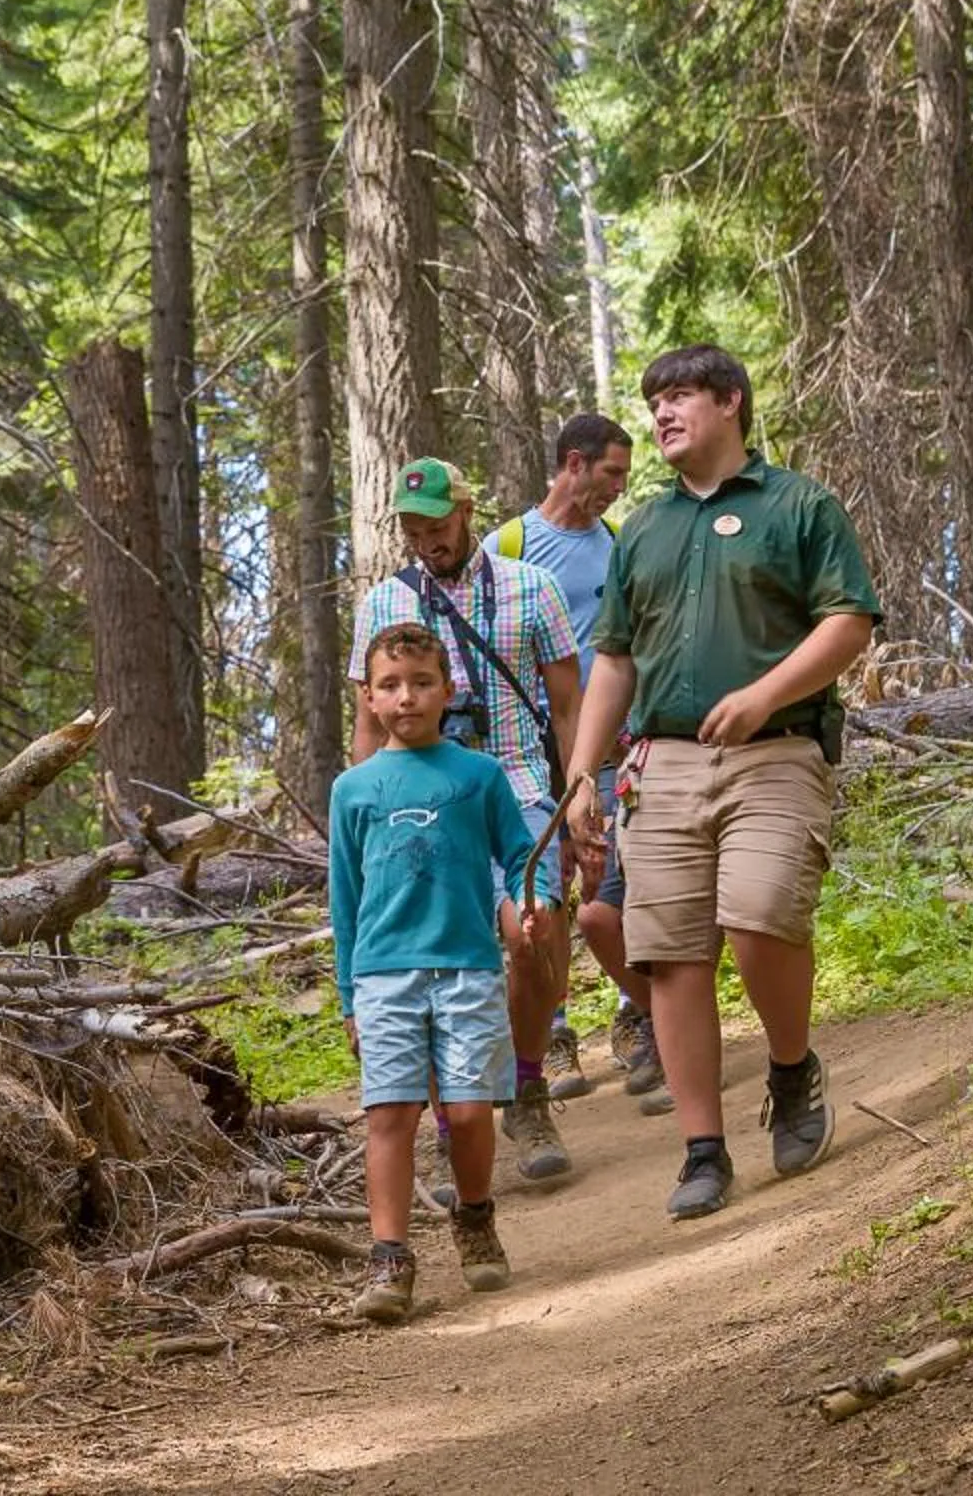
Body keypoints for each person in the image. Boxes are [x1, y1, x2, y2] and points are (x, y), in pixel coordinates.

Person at [560, 346, 880, 1220]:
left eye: (681, 397)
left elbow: (849, 621)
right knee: (668, 952)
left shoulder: (798, 506)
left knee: (759, 912)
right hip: (661, 766)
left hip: (778, 749)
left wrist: (763, 695)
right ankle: (703, 1148)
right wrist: (582, 772)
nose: (663, 414)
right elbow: (615, 659)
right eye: (654, 402)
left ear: (731, 402)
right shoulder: (647, 532)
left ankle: (789, 1066)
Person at [351, 458, 585, 1182]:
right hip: (423, 808)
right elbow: (366, 723)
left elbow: (569, 705)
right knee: (426, 962)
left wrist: (579, 793)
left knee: (532, 931)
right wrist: (363, 814)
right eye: (413, 529)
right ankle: (459, 1125)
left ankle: (525, 1085)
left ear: (466, 509)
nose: (428, 541)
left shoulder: (530, 588)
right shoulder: (384, 605)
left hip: (517, 791)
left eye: (438, 524)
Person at [329, 622, 547, 1322]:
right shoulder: (354, 790)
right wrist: (348, 998)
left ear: (449, 691)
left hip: (468, 969)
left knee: (469, 1111)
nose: (407, 697)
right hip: (384, 975)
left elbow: (517, 854)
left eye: (422, 683)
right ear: (368, 697)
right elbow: (345, 897)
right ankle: (390, 1258)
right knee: (390, 1114)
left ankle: (475, 1214)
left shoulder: (478, 777)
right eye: (390, 685)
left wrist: (528, 902)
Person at [493, 413, 666, 1110]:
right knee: (546, 894)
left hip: (611, 749)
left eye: (624, 476)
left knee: (614, 886)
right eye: (611, 474)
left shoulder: (621, 544)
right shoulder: (508, 546)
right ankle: (554, 1032)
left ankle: (641, 1016)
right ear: (573, 463)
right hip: (532, 754)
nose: (619, 489)